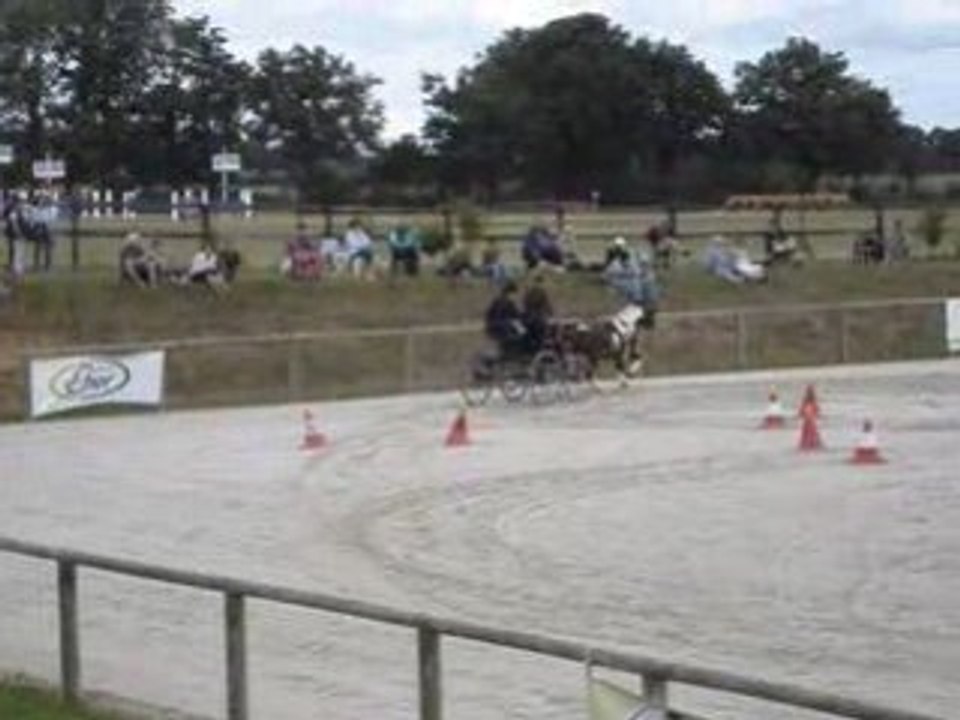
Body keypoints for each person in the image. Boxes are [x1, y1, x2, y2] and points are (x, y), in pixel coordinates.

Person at [484, 280, 528, 359]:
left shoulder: (496, 300)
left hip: (492, 327)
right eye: (515, 293)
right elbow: (517, 316)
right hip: (504, 328)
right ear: (511, 292)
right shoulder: (509, 302)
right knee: (524, 332)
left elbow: (488, 314)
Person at [522, 274, 554, 353]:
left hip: (528, 316)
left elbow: (525, 303)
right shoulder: (541, 291)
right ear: (541, 282)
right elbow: (546, 304)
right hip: (536, 316)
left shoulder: (529, 291)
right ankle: (541, 347)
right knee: (544, 331)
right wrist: (551, 313)